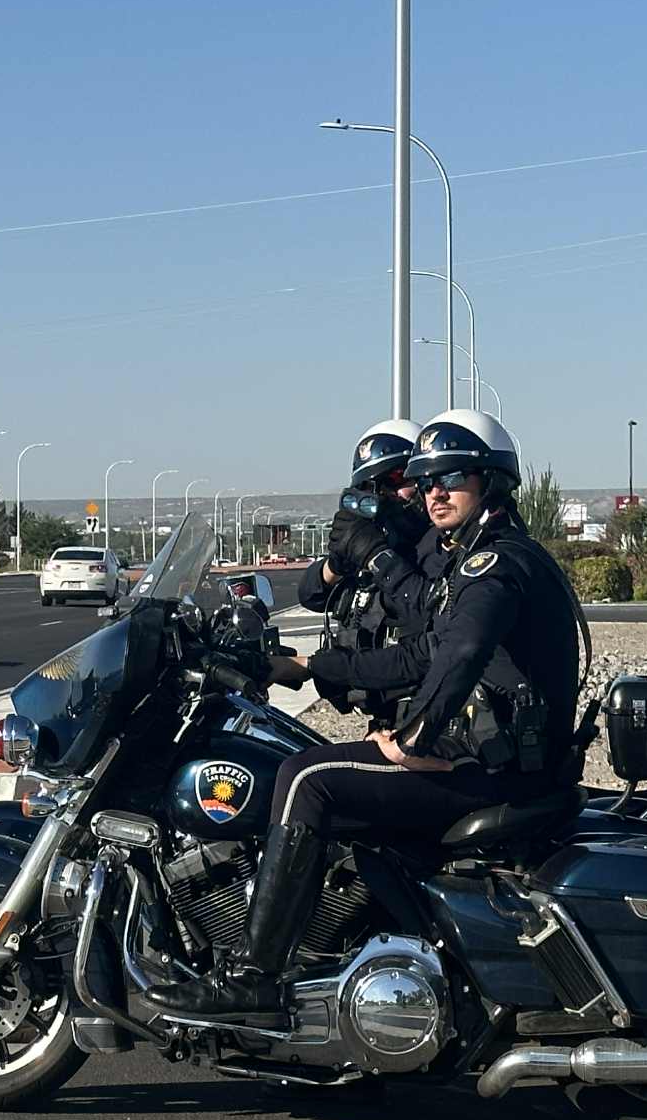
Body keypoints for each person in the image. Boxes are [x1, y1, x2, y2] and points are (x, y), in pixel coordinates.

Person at [148, 409, 582, 1028]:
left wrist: (414, 736)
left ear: (490, 481)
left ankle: (253, 976)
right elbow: (419, 653)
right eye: (426, 478)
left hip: (489, 767)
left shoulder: (495, 564)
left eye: (451, 477)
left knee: (306, 779)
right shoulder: (479, 554)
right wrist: (314, 665)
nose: (433, 491)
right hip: (490, 756)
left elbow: (458, 653)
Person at [296, 419, 439, 726]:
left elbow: (427, 612)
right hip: (384, 718)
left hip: (423, 720)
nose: (389, 495)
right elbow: (310, 594)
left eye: (398, 479)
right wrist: (339, 561)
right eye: (375, 487)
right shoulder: (381, 540)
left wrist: (377, 556)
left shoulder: (439, 546)